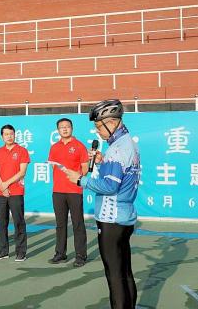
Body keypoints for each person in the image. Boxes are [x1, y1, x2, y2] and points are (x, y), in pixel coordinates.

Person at [66, 99, 140, 309]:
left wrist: (80, 180)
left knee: (114, 275)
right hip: (124, 217)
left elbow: (109, 186)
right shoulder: (126, 144)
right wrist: (102, 161)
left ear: (112, 122)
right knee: (124, 271)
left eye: (99, 126)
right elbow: (120, 174)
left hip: (111, 218)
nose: (98, 132)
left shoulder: (117, 150)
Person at [47, 117, 89, 267]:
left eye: (67, 126)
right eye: (61, 127)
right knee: (60, 224)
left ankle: (81, 256)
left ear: (72, 128)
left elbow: (85, 169)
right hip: (58, 191)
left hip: (74, 190)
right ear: (58, 130)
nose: (64, 129)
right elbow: (53, 166)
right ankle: (60, 253)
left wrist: (75, 177)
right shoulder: (54, 147)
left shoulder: (79, 146)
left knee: (78, 224)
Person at [0, 124, 30, 261]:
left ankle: (21, 252)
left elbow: (22, 172)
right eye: (6, 134)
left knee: (18, 222)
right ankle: (3, 251)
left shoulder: (22, 151)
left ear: (15, 135)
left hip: (16, 191)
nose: (9, 136)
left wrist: (6, 184)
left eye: (11, 134)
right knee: (2, 223)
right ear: (2, 136)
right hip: (1, 192)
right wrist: (2, 186)